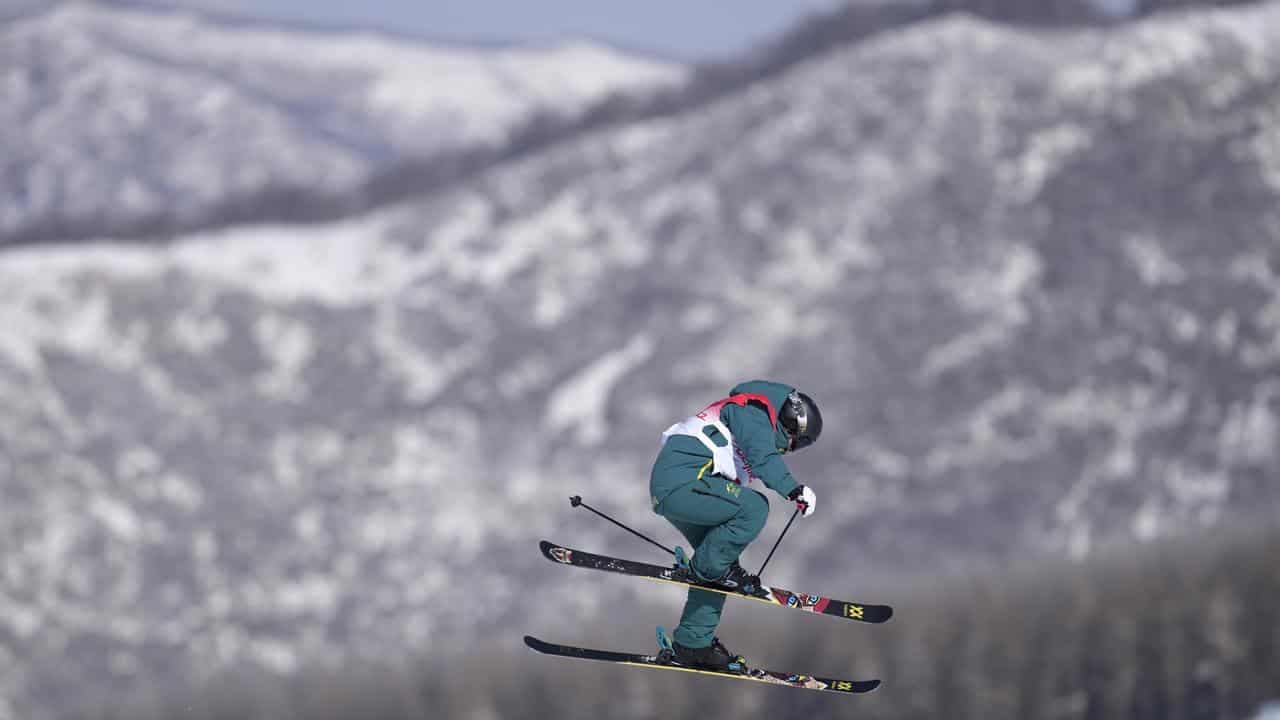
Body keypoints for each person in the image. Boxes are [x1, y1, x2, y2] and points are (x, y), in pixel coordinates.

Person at [649, 380, 823, 670]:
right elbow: (763, 457)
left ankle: (692, 645)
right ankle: (708, 571)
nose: (792, 449)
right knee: (754, 508)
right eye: (799, 442)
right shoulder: (753, 412)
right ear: (793, 425)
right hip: (682, 484)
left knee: (719, 562)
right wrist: (794, 489)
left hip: (685, 489)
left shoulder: (752, 420)